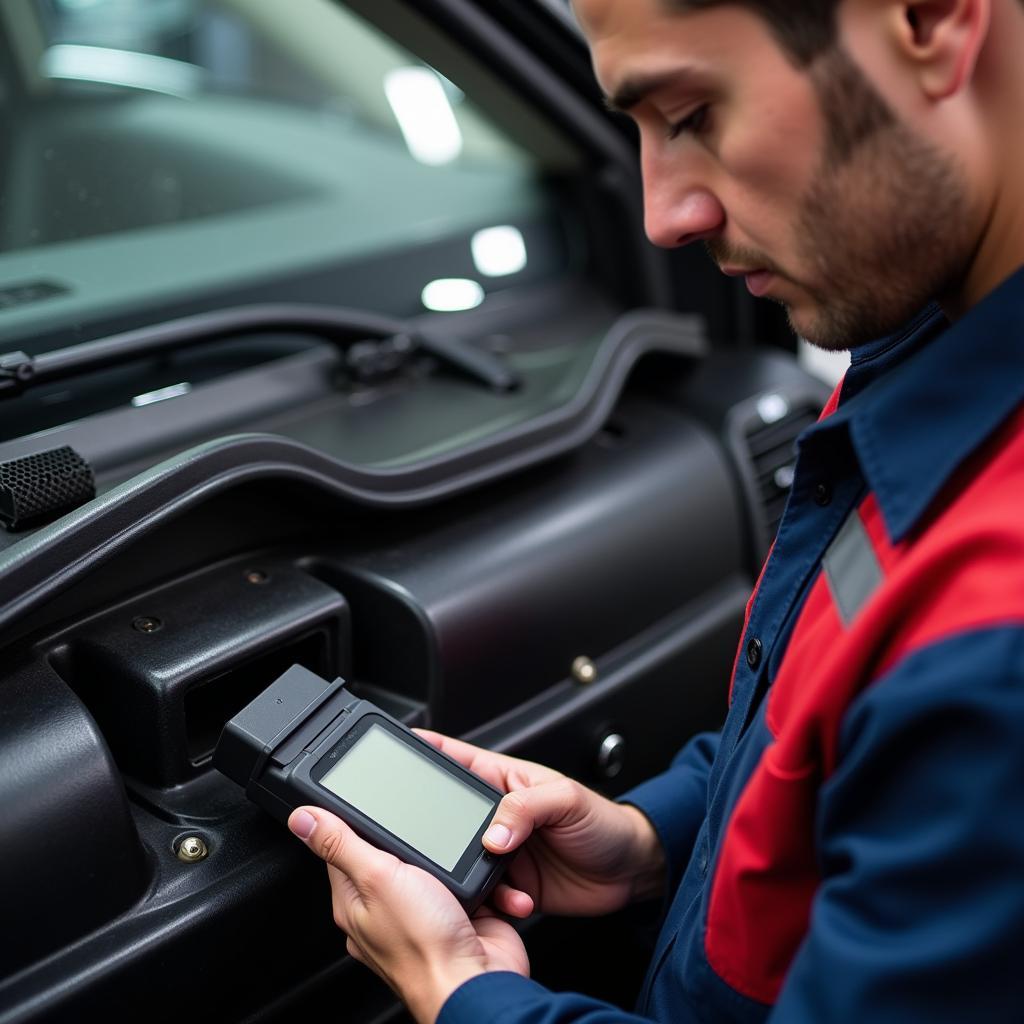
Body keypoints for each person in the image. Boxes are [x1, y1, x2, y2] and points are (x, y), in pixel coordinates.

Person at [285, 0, 1024, 1019]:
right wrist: (656, 839)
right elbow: (838, 737)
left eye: (689, 114)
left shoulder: (996, 645)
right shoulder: (924, 342)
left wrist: (464, 995)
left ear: (928, 19)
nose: (664, 214)